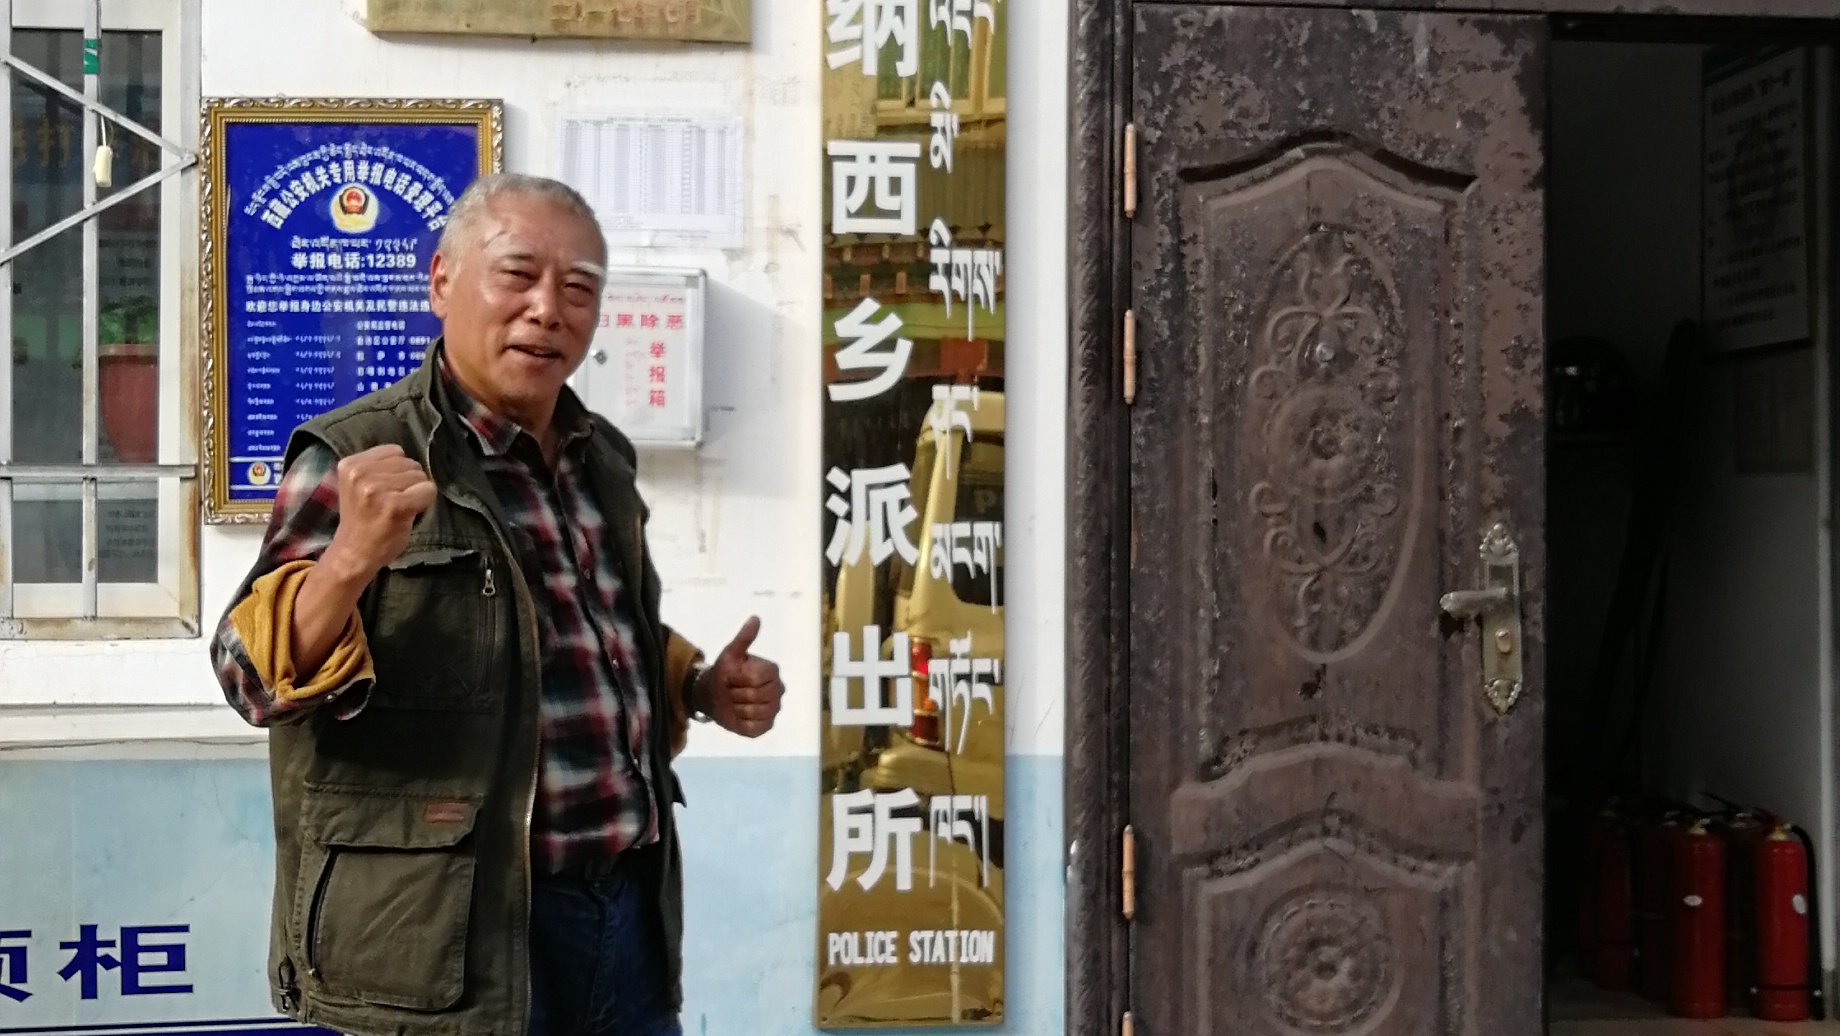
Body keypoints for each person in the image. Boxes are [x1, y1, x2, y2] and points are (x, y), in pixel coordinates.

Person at [211, 172, 785, 1036]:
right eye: (517, 274)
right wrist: (347, 564)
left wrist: (700, 687)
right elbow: (247, 674)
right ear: (441, 280)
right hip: (448, 937)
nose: (548, 310)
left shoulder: (603, 460)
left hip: (625, 918)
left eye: (579, 287)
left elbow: (577, 638)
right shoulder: (358, 454)